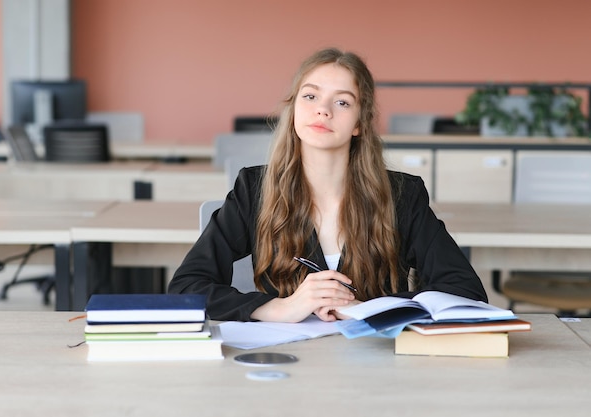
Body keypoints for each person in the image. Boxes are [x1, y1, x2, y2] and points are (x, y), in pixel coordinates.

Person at [168, 47, 487, 322]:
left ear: (360, 123)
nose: (323, 109)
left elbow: (465, 291)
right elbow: (187, 287)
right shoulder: (255, 189)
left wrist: (369, 310)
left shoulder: (402, 195)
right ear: (293, 109)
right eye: (310, 96)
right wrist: (278, 308)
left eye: (343, 102)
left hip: (376, 367)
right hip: (288, 365)